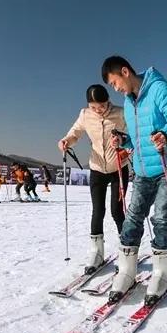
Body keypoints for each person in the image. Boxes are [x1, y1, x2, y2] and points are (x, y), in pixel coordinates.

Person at [102, 55, 167, 306]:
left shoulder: (158, 88)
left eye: (115, 82)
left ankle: (161, 272)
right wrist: (123, 141)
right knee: (132, 216)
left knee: (161, 216)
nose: (115, 89)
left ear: (125, 72)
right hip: (142, 169)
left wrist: (165, 134)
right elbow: (137, 138)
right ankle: (127, 271)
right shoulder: (130, 103)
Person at [59, 84, 130, 271]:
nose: (98, 110)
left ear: (108, 101)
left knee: (117, 211)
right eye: (94, 107)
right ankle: (97, 253)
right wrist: (66, 140)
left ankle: (126, 250)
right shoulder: (85, 115)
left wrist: (126, 148)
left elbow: (133, 134)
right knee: (97, 210)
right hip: (97, 168)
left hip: (118, 169)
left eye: (102, 106)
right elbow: (75, 132)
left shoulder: (121, 113)